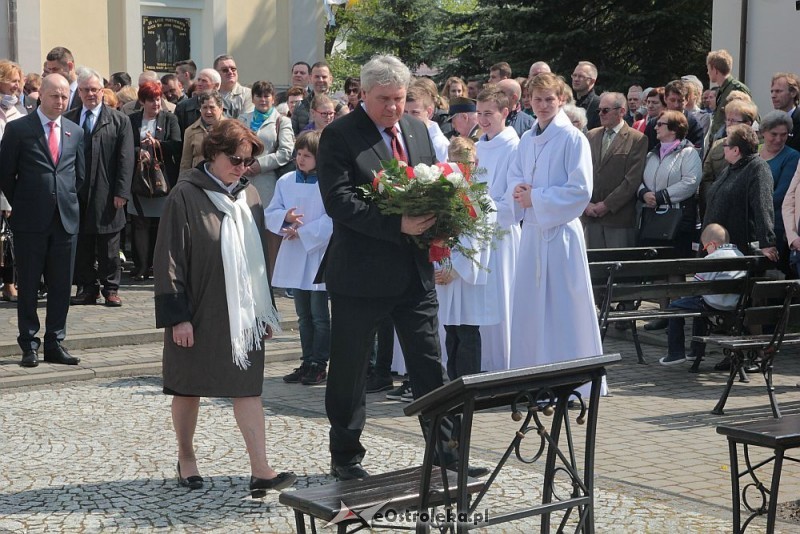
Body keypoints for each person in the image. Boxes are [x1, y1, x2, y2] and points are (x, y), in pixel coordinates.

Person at [317, 54, 465, 481]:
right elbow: (338, 202)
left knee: (429, 365)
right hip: (360, 275)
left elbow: (431, 186)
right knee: (350, 368)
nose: (394, 108)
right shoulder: (340, 135)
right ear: (363, 94)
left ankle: (446, 453)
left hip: (413, 273)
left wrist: (444, 219)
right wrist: (395, 223)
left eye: (400, 99)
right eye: (384, 99)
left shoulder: (418, 130)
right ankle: (346, 456)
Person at [153, 119, 295, 496]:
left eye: (247, 161)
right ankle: (186, 457)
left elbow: (259, 260)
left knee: (247, 387)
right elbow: (168, 258)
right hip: (197, 309)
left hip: (244, 314)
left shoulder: (249, 196)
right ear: (212, 154)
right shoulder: (185, 195)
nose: (242, 167)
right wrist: (178, 317)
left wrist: (265, 312)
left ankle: (261, 470)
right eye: (235, 158)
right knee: (188, 387)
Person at [505, 72, 605, 393]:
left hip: (561, 235)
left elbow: (579, 191)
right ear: (529, 102)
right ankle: (532, 378)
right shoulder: (526, 139)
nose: (544, 105)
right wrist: (519, 191)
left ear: (561, 99)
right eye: (538, 99)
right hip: (533, 234)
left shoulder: (573, 139)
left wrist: (535, 197)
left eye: (550, 99)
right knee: (532, 308)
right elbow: (516, 179)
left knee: (562, 308)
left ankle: (573, 382)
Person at [0, 74, 84, 368]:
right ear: (40, 96)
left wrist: (65, 200)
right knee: (30, 284)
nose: (60, 101)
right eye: (54, 96)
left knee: (62, 286)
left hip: (65, 220)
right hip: (29, 221)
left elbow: (79, 176)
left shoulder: (75, 131)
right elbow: (6, 174)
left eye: (64, 96)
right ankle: (29, 344)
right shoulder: (18, 129)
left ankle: (55, 342)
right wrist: (25, 202)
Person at [65, 67, 134, 307]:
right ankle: (87, 288)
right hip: (76, 192)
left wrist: (121, 192)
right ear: (80, 92)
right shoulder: (70, 118)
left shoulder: (119, 120)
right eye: (85, 90)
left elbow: (126, 159)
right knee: (82, 243)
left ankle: (111, 289)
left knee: (109, 246)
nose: (90, 94)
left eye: (95, 90)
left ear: (102, 92)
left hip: (108, 192)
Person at [266, 131, 331, 386]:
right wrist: (286, 220)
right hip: (294, 252)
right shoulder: (285, 181)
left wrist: (302, 231)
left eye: (307, 156)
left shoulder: (326, 182)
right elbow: (272, 211)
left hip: (316, 252)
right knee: (303, 315)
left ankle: (319, 363)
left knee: (319, 314)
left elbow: (331, 219)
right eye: (299, 154)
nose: (301, 160)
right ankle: (307, 360)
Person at [475, 87, 519, 372]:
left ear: (505, 112)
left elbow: (512, 203)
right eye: (479, 113)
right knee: (480, 303)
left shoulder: (515, 147)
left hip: (501, 236)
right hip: (476, 235)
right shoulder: (477, 145)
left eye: (488, 113)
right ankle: (482, 363)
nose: (482, 119)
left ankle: (504, 364)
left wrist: (482, 205)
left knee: (501, 302)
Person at [660, 224, 745, 366]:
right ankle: (695, 352)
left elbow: (696, 287)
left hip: (712, 302)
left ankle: (676, 353)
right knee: (698, 311)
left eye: (705, 248)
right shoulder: (740, 255)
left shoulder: (712, 258)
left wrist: (683, 298)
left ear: (712, 244)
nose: (705, 251)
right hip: (735, 304)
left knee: (674, 307)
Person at [239, 80, 295, 279]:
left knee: (270, 227)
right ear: (252, 98)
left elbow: (285, 152)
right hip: (243, 180)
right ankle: (247, 273)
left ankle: (271, 275)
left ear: (273, 98)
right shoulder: (242, 118)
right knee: (245, 226)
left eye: (267, 95)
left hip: (268, 181)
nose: (263, 99)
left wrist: (260, 165)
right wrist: (243, 164)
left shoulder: (282, 121)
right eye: (259, 95)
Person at [128, 81, 182, 281]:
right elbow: (125, 146)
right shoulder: (132, 120)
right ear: (142, 101)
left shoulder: (170, 119)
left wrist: (157, 144)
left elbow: (177, 146)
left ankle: (158, 266)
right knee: (139, 223)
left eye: (158, 99)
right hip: (138, 180)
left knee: (161, 224)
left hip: (162, 180)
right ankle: (141, 266)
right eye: (151, 100)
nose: (156, 103)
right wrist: (140, 151)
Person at [583, 92, 648, 250]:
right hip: (590, 217)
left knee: (618, 269)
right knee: (594, 270)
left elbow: (632, 180)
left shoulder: (637, 139)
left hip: (618, 219)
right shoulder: (591, 136)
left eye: (605, 110)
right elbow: (580, 171)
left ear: (622, 111)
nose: (600, 114)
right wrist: (586, 204)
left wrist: (606, 205)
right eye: (599, 110)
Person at [704, 124, 777, 262]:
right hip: (716, 249)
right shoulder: (730, 168)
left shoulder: (758, 168)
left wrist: (767, 243)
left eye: (725, 143)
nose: (722, 147)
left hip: (738, 249)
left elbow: (763, 205)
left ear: (736, 150)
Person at [638, 110, 702, 258]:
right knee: (654, 270)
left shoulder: (689, 153)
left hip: (677, 223)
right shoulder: (651, 155)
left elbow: (690, 182)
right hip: (651, 220)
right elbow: (639, 179)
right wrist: (643, 193)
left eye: (660, 124)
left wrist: (661, 197)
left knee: (674, 268)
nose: (655, 128)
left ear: (674, 129)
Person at [759, 110, 800, 277]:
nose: (778, 139)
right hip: (751, 225)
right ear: (763, 132)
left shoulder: (792, 156)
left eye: (783, 134)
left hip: (775, 226)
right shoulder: (755, 152)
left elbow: (782, 194)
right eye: (773, 134)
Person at [700, 100, 757, 219]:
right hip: (715, 207)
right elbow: (706, 177)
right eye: (728, 119)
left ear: (748, 123)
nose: (729, 124)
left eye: (733, 120)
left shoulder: (756, 146)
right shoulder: (717, 145)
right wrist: (712, 199)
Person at [0, 60, 24, 301]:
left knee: (8, 239)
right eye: (12, 80)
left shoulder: (20, 111)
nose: (16, 86)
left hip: (11, 181)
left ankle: (9, 283)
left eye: (19, 81)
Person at [180, 90, 224, 171]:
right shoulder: (190, 131)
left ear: (221, 108)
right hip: (198, 178)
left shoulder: (230, 129)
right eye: (204, 107)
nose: (208, 111)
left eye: (212, 107)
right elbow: (185, 163)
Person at [214, 54, 253, 119]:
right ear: (216, 73)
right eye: (225, 70)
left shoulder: (248, 94)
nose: (230, 72)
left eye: (233, 69)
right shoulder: (211, 95)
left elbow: (246, 121)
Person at [571, 61, 601, 130]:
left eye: (581, 76)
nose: (576, 79)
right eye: (574, 75)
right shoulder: (569, 102)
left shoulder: (598, 105)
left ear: (592, 81)